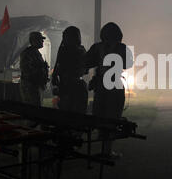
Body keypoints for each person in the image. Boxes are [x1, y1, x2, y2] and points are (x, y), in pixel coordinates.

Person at [85, 22, 133, 158]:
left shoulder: (97, 47)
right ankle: (107, 150)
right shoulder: (122, 47)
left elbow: (86, 63)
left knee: (100, 115)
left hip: (100, 86)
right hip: (115, 86)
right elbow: (129, 64)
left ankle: (101, 146)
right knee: (113, 116)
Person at [52, 26, 88, 114]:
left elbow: (59, 66)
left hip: (67, 85)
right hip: (76, 85)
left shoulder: (64, 50)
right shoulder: (81, 50)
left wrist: (55, 76)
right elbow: (86, 69)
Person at [19, 32, 49, 106]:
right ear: (34, 41)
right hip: (30, 86)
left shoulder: (35, 52)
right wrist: (40, 75)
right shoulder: (28, 53)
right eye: (40, 39)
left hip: (35, 85)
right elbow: (26, 70)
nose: (42, 41)